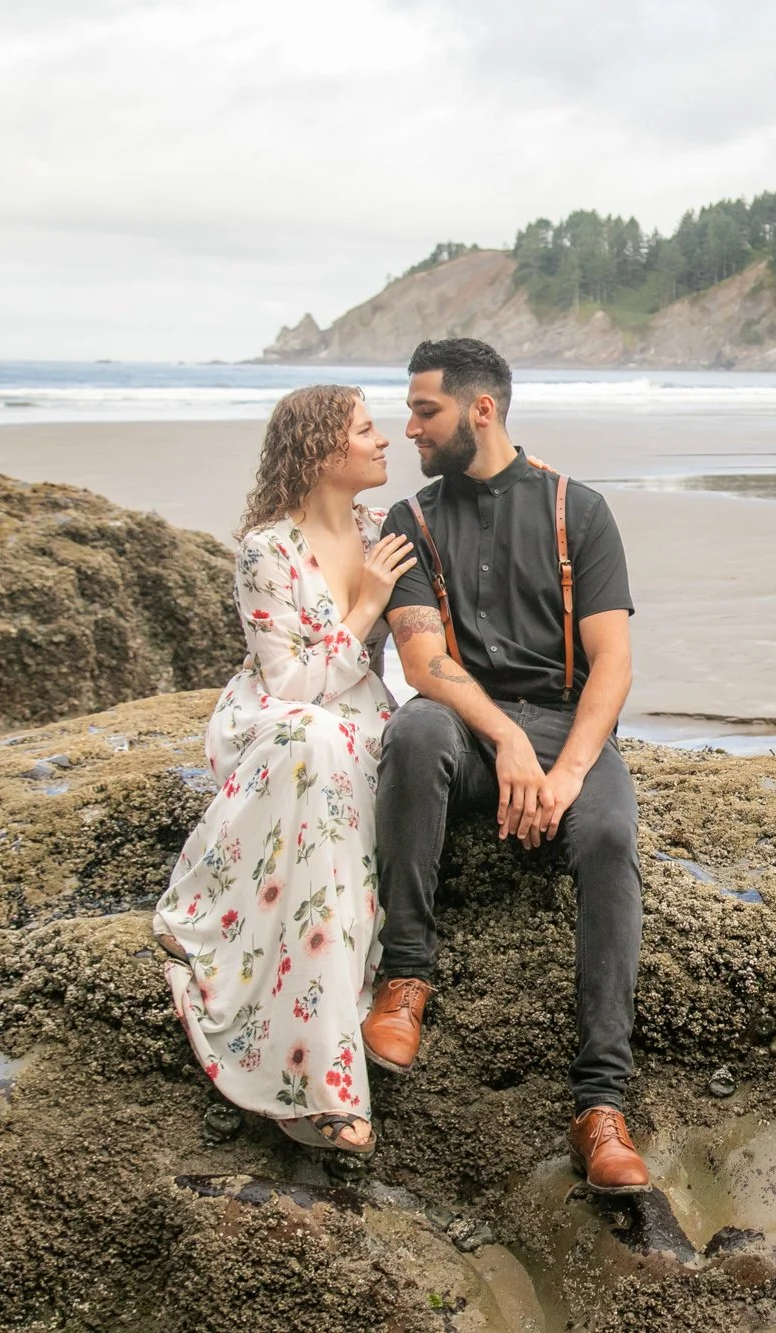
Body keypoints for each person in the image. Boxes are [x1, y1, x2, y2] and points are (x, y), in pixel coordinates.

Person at [362, 338, 650, 1191]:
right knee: (415, 731)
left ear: (480, 409)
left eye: (425, 411)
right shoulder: (410, 521)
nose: (410, 429)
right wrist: (507, 740)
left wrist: (566, 772)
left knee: (608, 839)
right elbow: (422, 662)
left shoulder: (579, 510)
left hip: (568, 727)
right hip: (466, 726)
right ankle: (405, 977)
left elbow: (613, 663)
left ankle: (601, 1107)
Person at [151, 385, 417, 1155]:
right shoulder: (266, 551)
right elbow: (292, 683)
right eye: (366, 429)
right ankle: (329, 1084)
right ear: (323, 449)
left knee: (332, 757)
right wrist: (365, 605)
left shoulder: (383, 529)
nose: (384, 440)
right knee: (316, 740)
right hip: (280, 721)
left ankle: (318, 1071)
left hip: (359, 723)